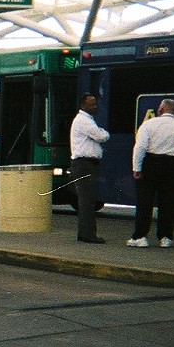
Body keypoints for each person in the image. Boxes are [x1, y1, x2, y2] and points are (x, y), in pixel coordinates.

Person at [128, 97, 174, 248]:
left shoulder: (149, 124)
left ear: (160, 109)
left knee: (145, 202)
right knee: (168, 202)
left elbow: (140, 147)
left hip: (152, 163)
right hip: (173, 164)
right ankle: (166, 237)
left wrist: (137, 168)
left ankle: (140, 236)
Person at [69, 93, 111, 243]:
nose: (95, 107)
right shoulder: (84, 121)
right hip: (84, 165)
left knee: (86, 200)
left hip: (84, 165)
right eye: (91, 104)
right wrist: (105, 134)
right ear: (83, 106)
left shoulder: (86, 120)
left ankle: (84, 233)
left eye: (95, 104)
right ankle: (88, 234)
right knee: (88, 201)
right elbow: (101, 136)